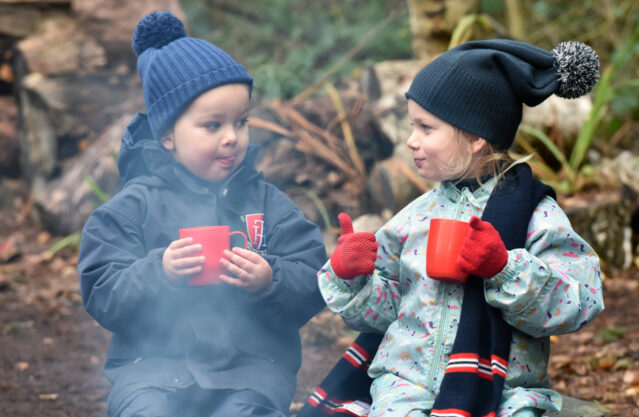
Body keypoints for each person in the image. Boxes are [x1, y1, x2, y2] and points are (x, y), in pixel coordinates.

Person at [310, 39, 605, 417]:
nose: (410, 141)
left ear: (474, 135)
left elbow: (581, 301)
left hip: (505, 390)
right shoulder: (414, 216)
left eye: (425, 128)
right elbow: (386, 315)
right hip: (405, 386)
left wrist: (504, 269)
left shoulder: (534, 215)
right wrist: (353, 277)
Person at [77, 11, 327, 417]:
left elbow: (316, 275)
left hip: (251, 371)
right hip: (153, 369)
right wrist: (159, 271)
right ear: (168, 136)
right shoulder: (133, 207)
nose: (232, 137)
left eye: (241, 122)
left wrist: (270, 279)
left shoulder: (266, 203)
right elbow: (102, 290)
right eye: (213, 125)